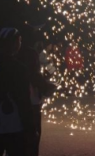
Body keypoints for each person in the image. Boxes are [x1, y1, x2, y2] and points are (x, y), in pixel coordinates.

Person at [17, 25, 57, 156]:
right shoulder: (33, 53)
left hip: (16, 101)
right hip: (31, 101)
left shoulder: (10, 53)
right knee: (32, 135)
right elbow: (38, 74)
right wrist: (48, 85)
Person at [0, 27, 36, 156]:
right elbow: (23, 101)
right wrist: (30, 127)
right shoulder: (18, 68)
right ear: (13, 44)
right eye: (19, 41)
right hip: (12, 124)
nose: (20, 44)